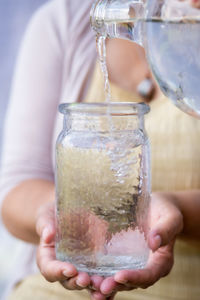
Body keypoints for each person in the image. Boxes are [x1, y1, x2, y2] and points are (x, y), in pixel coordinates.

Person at [1, 0, 200, 299]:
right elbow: (17, 186)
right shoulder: (64, 20)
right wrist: (59, 217)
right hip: (61, 284)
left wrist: (178, 209)